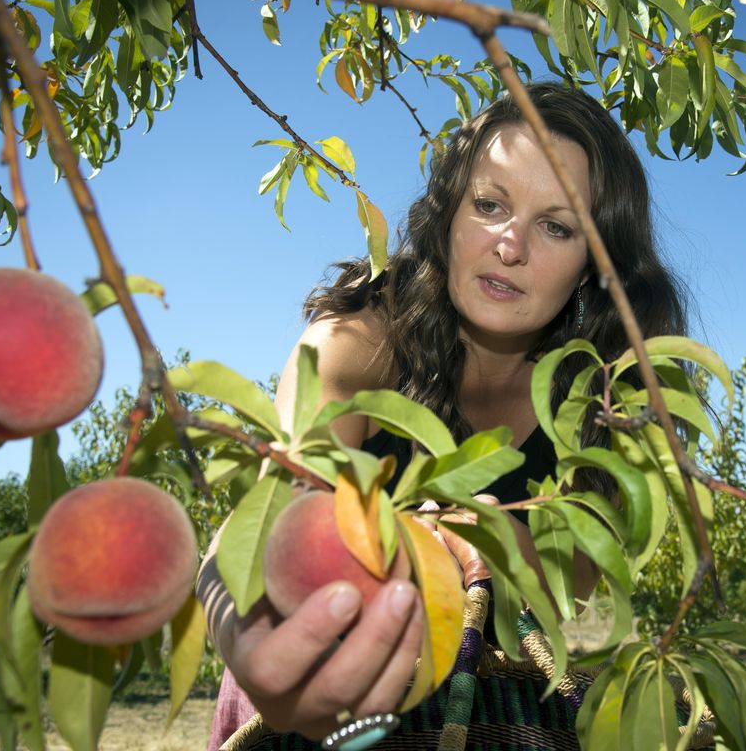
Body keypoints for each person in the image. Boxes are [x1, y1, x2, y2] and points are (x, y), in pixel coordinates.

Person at [198, 81, 689, 750]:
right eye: (489, 205)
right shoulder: (359, 344)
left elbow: (570, 592)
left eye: (556, 226)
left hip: (495, 703)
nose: (510, 246)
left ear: (591, 269)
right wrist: (244, 627)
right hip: (319, 683)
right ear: (448, 214)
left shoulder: (602, 404)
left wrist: (461, 540)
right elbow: (276, 513)